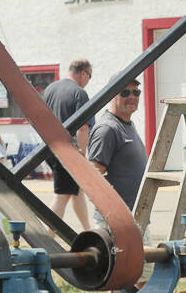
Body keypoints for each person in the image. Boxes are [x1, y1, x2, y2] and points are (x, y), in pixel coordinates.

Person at [85, 78, 147, 227]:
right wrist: (113, 215)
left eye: (136, 92)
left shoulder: (127, 124)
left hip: (135, 218)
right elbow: (92, 179)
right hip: (117, 223)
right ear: (112, 95)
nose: (132, 97)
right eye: (125, 92)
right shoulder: (107, 129)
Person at [41, 58, 94, 230]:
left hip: (49, 149)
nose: (88, 81)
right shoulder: (79, 93)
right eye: (89, 76)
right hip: (67, 152)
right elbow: (83, 127)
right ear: (83, 73)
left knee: (75, 191)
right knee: (62, 196)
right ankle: (48, 238)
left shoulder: (50, 89)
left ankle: (88, 230)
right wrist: (82, 153)